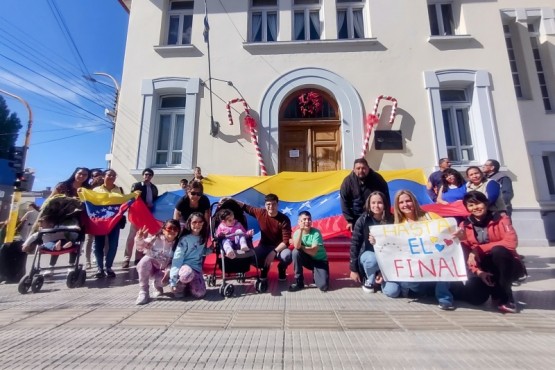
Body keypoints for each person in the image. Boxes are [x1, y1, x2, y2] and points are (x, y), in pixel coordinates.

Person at [376, 190, 455, 311]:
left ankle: (444, 298)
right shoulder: (398, 225)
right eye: (401, 202)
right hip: (415, 266)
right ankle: (420, 290)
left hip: (434, 260)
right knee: (410, 285)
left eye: (408, 201)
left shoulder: (431, 216)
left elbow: (449, 232)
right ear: (398, 206)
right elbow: (391, 249)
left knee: (444, 263)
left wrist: (458, 232)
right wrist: (375, 241)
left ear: (414, 201)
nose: (405, 204)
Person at [458, 191, 523, 313]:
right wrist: (478, 272)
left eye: (478, 203)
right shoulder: (464, 225)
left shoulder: (502, 219)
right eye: (470, 205)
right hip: (483, 267)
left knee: (498, 251)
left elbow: (511, 242)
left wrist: (478, 249)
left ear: (486, 203)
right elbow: (467, 253)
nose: (475, 208)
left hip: (505, 265)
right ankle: (494, 291)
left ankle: (506, 297)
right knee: (476, 299)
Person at [225, 194, 292, 283]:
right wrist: (230, 200)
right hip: (264, 246)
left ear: (277, 205)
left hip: (279, 248)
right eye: (268, 204)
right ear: (265, 205)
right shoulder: (260, 213)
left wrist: (273, 252)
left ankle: (282, 268)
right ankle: (264, 267)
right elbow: (245, 207)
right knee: (250, 257)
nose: (271, 206)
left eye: (273, 204)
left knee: (287, 255)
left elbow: (286, 241)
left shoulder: (284, 219)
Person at [45, 167, 91, 275]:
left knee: (74, 241)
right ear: (75, 173)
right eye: (80, 173)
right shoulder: (63, 186)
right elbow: (50, 200)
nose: (82, 176)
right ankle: (51, 267)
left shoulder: (88, 188)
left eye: (85, 175)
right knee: (58, 240)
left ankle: (71, 265)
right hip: (60, 217)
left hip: (78, 218)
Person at [349, 191, 394, 293]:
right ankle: (370, 279)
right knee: (372, 259)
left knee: (392, 291)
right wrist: (353, 269)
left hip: (387, 260)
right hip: (368, 255)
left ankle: (382, 279)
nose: (376, 206)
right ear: (369, 204)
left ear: (385, 204)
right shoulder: (362, 220)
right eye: (373, 203)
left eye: (379, 202)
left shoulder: (392, 219)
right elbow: (355, 244)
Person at [134, 220, 180, 305]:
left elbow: (176, 261)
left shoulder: (179, 244)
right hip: (150, 268)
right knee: (144, 261)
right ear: (163, 230)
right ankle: (144, 291)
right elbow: (140, 247)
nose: (172, 231)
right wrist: (139, 238)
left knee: (163, 282)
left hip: (163, 271)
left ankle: (157, 286)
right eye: (169, 228)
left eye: (175, 229)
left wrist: (169, 271)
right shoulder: (155, 239)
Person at [340, 158, 390, 232]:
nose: (361, 171)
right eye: (358, 168)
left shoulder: (377, 179)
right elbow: (344, 201)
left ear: (368, 168)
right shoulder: (348, 182)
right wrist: (349, 220)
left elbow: (386, 198)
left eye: (363, 168)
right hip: (356, 217)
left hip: (374, 217)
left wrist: (386, 216)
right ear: (353, 169)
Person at [123, 168, 159, 269]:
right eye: (146, 174)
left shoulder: (154, 188)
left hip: (147, 215)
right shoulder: (137, 185)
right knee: (131, 237)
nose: (148, 176)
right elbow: (133, 198)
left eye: (150, 175)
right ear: (143, 175)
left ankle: (138, 258)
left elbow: (155, 199)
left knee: (143, 238)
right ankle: (126, 258)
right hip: (138, 215)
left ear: (152, 176)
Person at [169, 212, 210, 299]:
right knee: (186, 275)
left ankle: (189, 286)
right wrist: (173, 280)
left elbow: (201, 252)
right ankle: (180, 286)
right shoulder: (185, 239)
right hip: (185, 268)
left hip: (196, 269)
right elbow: (177, 259)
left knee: (200, 294)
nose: (197, 224)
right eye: (194, 222)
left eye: (200, 222)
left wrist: (211, 249)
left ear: (203, 223)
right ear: (189, 223)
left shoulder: (203, 237)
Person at [92, 169, 123, 278]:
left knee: (113, 245)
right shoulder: (96, 190)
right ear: (104, 176)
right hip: (100, 222)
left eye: (114, 176)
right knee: (98, 246)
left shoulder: (119, 190)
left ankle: (108, 267)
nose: (112, 177)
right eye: (109, 175)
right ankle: (99, 268)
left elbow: (123, 203)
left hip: (114, 222)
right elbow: (90, 203)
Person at [288, 211, 329, 292]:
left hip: (320, 261)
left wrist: (301, 246)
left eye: (309, 219)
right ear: (299, 222)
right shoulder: (297, 233)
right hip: (307, 260)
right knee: (295, 252)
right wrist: (300, 230)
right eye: (304, 219)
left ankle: (316, 274)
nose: (307, 222)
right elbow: (296, 247)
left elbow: (313, 251)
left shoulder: (316, 233)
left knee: (323, 286)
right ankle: (299, 281)